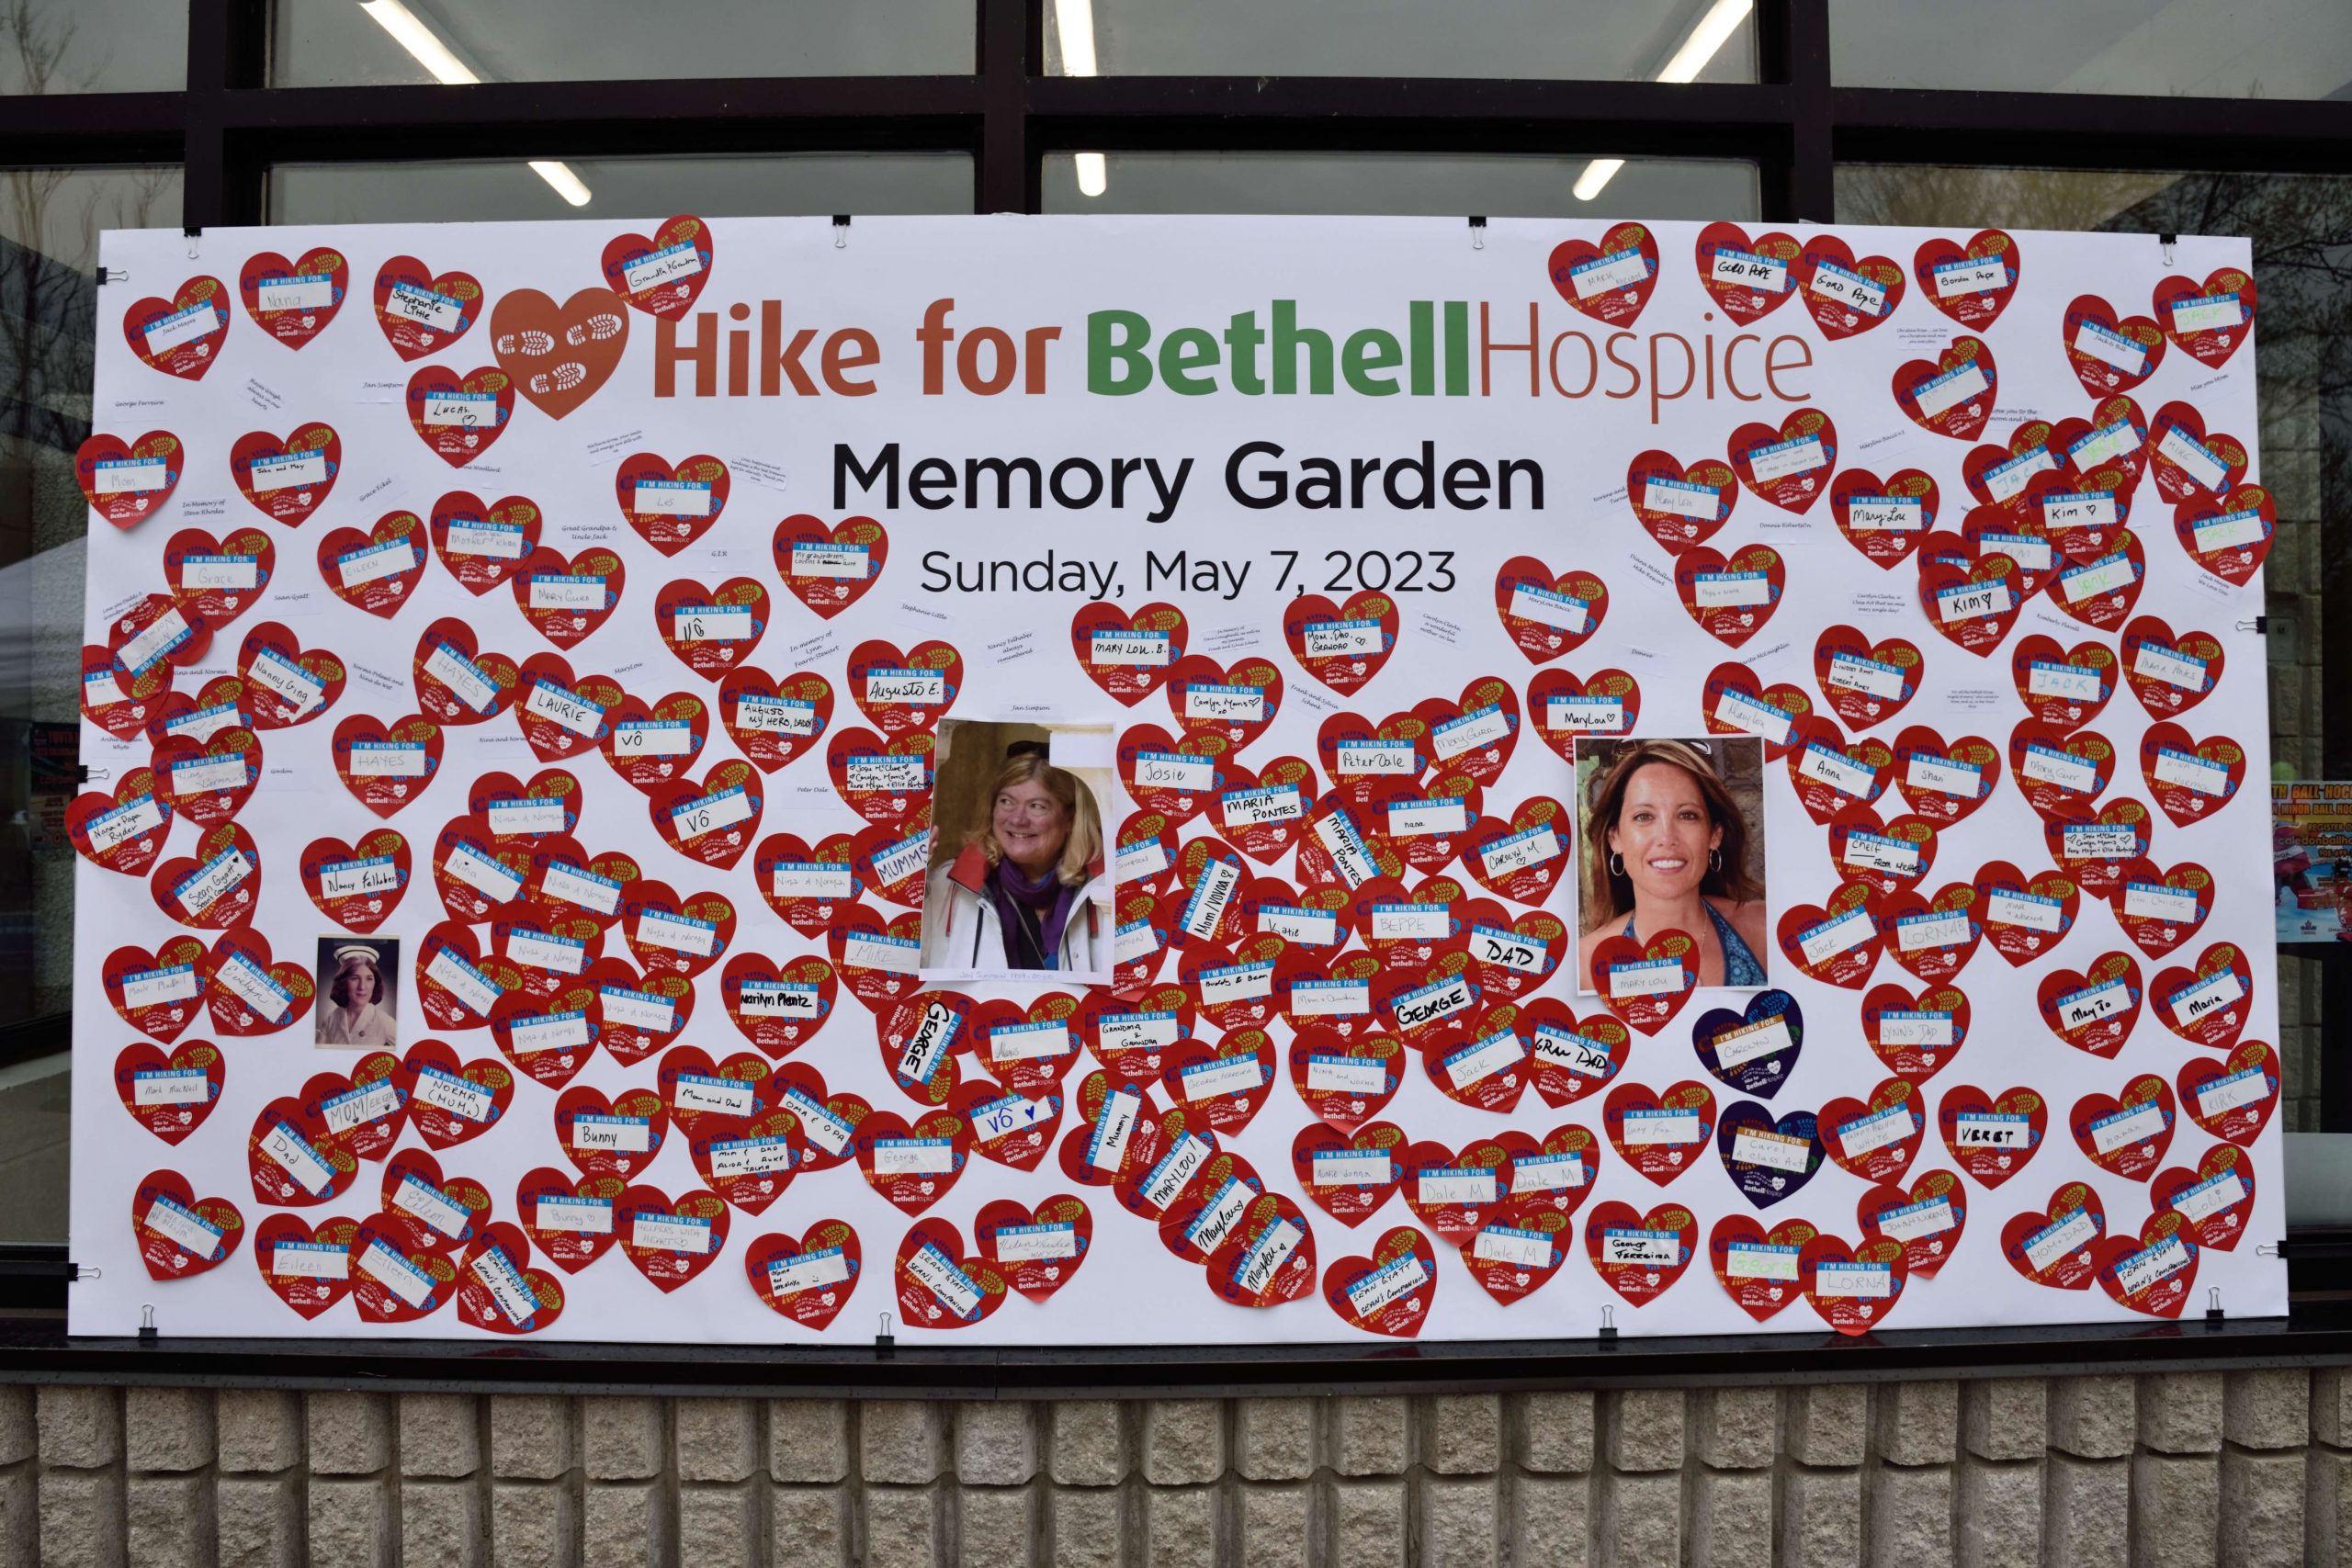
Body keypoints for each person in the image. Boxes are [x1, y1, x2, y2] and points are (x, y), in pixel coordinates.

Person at [1577, 738, 1770, 987]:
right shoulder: (1584, 966)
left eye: (1687, 815)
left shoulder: (1763, 928)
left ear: (1714, 835)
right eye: (1644, 816)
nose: (1667, 838)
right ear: (1615, 838)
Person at [920, 745, 1107, 972]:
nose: (1017, 819)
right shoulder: (949, 885)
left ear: (1070, 818)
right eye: (1006, 801)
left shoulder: (1103, 890)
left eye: (1037, 806)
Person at [317, 942, 398, 1045]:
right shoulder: (331, 1017)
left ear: (375, 983)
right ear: (343, 982)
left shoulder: (384, 1022)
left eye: (369, 979)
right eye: (355, 978)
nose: (362, 987)